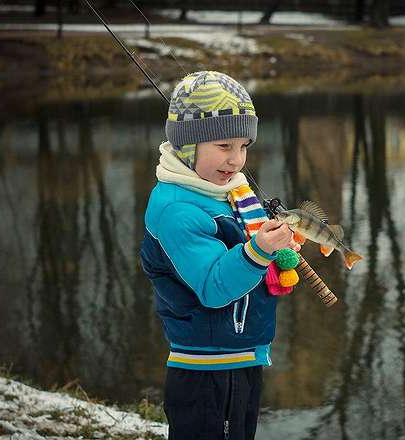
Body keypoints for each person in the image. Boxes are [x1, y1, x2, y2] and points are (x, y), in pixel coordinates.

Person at [140, 70, 300, 440]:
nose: (237, 160)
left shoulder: (226, 192)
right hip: (204, 369)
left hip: (241, 356)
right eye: (224, 146)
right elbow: (213, 286)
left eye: (244, 146)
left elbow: (244, 256)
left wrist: (275, 249)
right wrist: (259, 250)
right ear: (187, 146)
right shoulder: (177, 210)